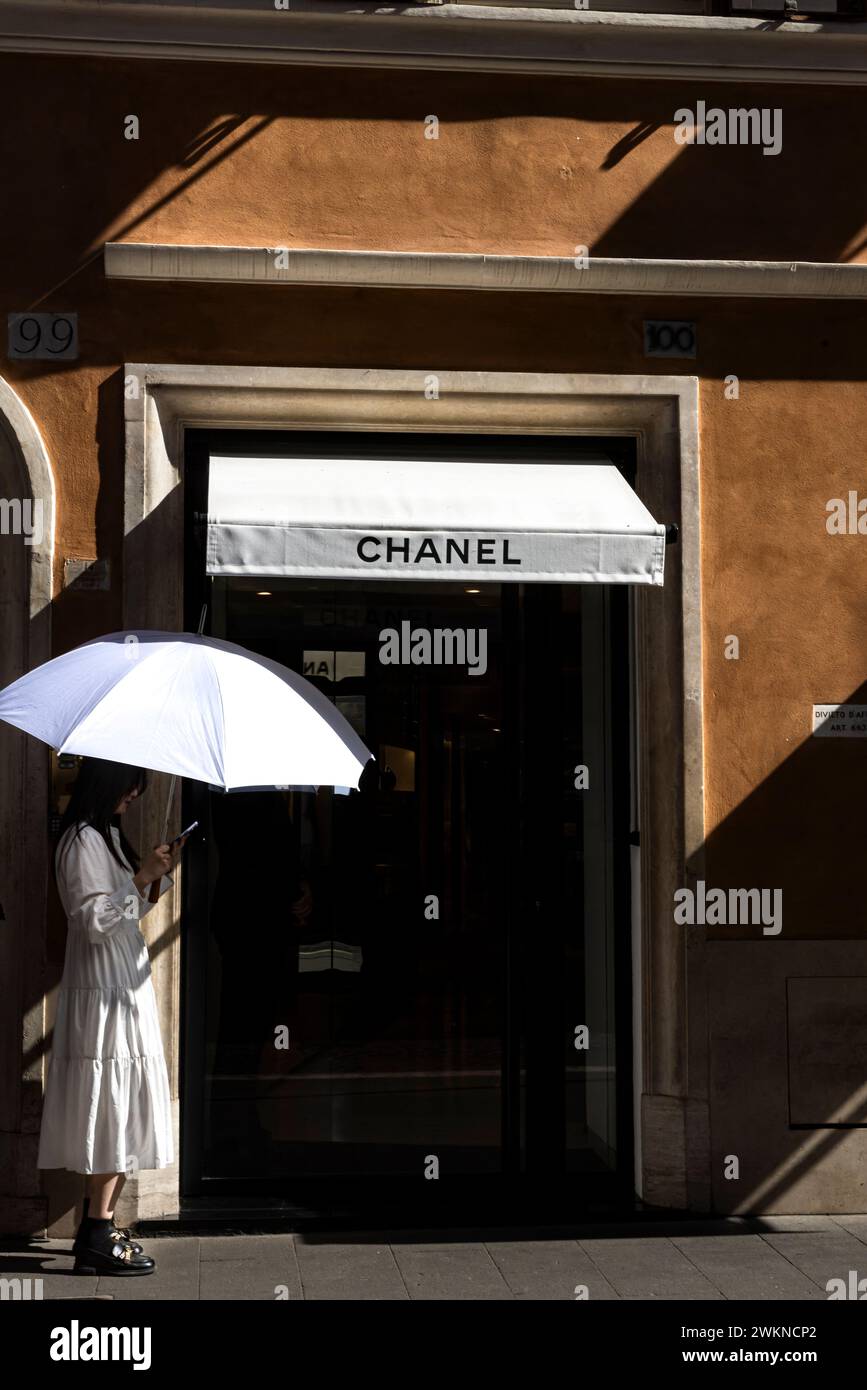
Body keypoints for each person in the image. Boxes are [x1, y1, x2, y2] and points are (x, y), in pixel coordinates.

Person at [36, 756, 187, 1276]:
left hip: (123, 979)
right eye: (129, 789)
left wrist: (152, 878)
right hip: (102, 987)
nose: (132, 799)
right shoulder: (80, 840)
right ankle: (97, 1231)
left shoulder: (103, 836)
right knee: (111, 1104)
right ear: (108, 785)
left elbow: (125, 915)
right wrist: (140, 875)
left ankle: (98, 1228)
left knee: (121, 1099)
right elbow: (92, 920)